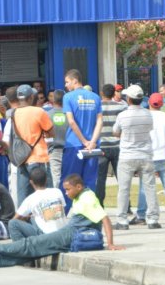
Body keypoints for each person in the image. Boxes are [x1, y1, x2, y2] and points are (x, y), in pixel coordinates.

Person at [0, 174, 124, 269]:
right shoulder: (81, 195)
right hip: (69, 232)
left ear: (79, 187)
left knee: (32, 243)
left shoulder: (87, 198)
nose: (66, 193)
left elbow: (105, 218)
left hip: (72, 234)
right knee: (37, 247)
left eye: (68, 189)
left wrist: (110, 243)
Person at [112, 85, 161, 230]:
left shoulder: (122, 115)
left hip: (127, 156)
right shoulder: (148, 114)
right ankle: (152, 219)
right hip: (145, 154)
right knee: (150, 187)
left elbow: (116, 132)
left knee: (124, 189)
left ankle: (122, 220)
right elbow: (149, 129)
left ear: (128, 99)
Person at [135, 93, 165, 224]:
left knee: (144, 187)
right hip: (163, 155)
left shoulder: (144, 116)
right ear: (162, 104)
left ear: (149, 103)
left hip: (147, 156)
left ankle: (141, 216)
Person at [60, 69, 103, 210]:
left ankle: (66, 212)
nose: (66, 85)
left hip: (74, 145)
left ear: (75, 80)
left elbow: (71, 121)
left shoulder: (68, 97)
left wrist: (84, 141)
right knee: (89, 181)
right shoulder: (95, 97)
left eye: (67, 82)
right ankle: (88, 212)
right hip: (93, 147)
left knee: (69, 181)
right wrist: (92, 142)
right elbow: (99, 121)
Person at [4, 84, 54, 206]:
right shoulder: (38, 111)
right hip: (38, 157)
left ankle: (24, 217)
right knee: (46, 194)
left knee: (24, 196)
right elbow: (51, 132)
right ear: (31, 97)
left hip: (22, 158)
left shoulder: (13, 113)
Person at [8, 167, 67, 240]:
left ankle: (21, 245)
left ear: (31, 182)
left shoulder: (31, 199)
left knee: (12, 223)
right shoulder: (57, 191)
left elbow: (15, 218)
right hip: (63, 234)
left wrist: (25, 218)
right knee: (33, 216)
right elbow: (63, 210)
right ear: (46, 180)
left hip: (46, 237)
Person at [96, 83, 128, 206]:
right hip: (117, 146)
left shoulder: (97, 107)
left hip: (102, 146)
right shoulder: (121, 108)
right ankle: (126, 205)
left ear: (101, 93)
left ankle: (100, 205)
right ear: (114, 93)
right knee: (121, 178)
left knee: (100, 178)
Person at [47, 89, 67, 189]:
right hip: (68, 149)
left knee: (56, 178)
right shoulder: (69, 115)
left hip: (53, 150)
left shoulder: (47, 115)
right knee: (68, 177)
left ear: (53, 100)